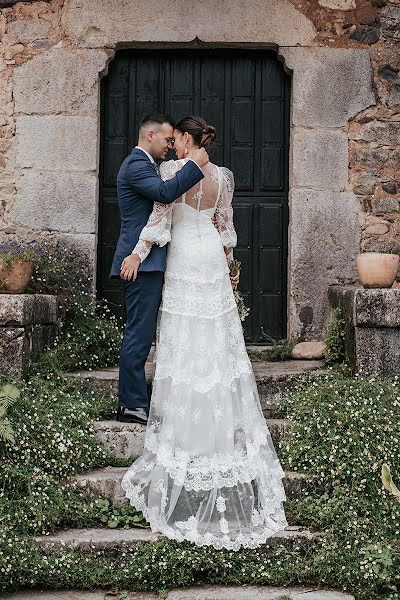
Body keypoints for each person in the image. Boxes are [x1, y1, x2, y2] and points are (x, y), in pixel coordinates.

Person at [121, 116, 288, 550]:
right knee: (215, 342)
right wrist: (232, 265)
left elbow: (159, 221)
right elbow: (226, 227)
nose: (173, 146)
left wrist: (137, 253)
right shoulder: (223, 177)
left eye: (178, 140)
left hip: (185, 260)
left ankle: (186, 433)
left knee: (184, 342)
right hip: (211, 258)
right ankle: (216, 429)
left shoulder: (174, 173)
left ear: (189, 140)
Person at [110, 113, 209, 425]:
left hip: (152, 261)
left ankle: (138, 399)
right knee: (138, 336)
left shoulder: (148, 165)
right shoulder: (137, 164)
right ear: (149, 134)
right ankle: (131, 404)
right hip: (141, 263)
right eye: (166, 139)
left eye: (173, 140)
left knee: (143, 334)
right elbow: (165, 194)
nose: (169, 145)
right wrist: (195, 165)